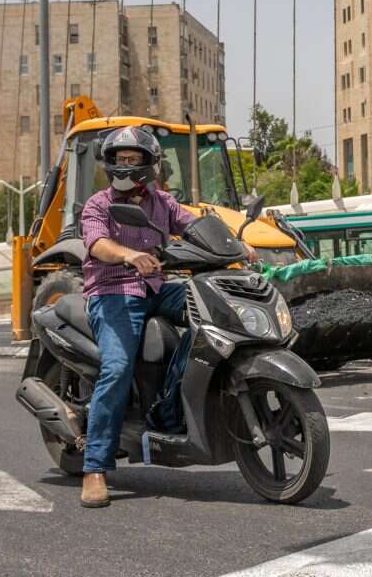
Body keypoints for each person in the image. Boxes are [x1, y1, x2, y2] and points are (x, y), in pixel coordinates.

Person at [78, 127, 255, 507]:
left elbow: (195, 227)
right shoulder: (98, 204)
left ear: (149, 163)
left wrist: (238, 246)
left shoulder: (162, 202)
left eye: (133, 159)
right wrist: (128, 254)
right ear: (110, 163)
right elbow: (98, 244)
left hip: (156, 289)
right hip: (113, 294)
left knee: (216, 312)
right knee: (117, 368)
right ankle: (94, 467)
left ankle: (170, 401)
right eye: (120, 159)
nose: (126, 165)